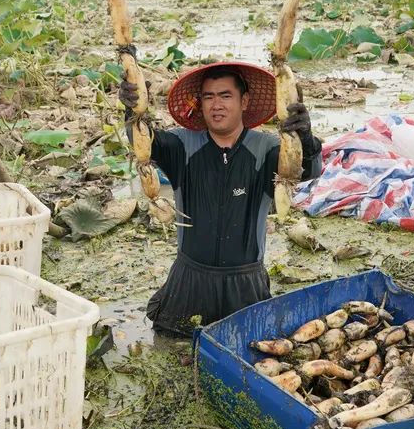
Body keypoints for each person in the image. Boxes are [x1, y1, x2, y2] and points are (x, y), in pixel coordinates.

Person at [120, 61, 323, 336]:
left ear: (244, 101)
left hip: (245, 282)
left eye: (226, 95)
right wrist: (132, 110)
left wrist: (306, 139)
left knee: (249, 347)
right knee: (172, 341)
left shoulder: (267, 149)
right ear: (200, 104)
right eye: (209, 97)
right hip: (190, 279)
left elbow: (307, 170)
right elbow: (143, 143)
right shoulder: (183, 145)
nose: (217, 105)